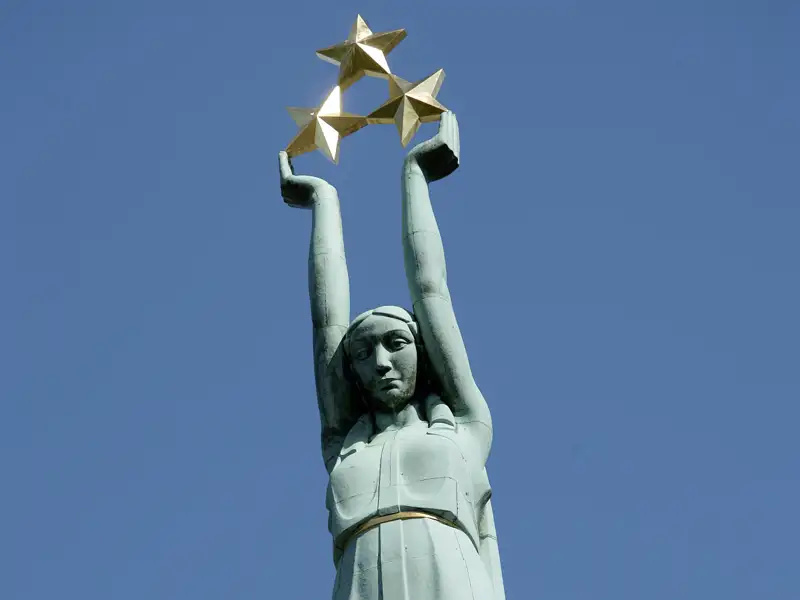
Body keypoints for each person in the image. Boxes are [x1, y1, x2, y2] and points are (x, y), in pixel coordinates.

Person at [279, 113, 505, 599]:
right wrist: (323, 200)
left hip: (448, 575)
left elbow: (430, 291)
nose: (380, 361)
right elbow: (326, 328)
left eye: (395, 344)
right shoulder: (344, 442)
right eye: (362, 354)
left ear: (423, 351)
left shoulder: (464, 424)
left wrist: (415, 174)